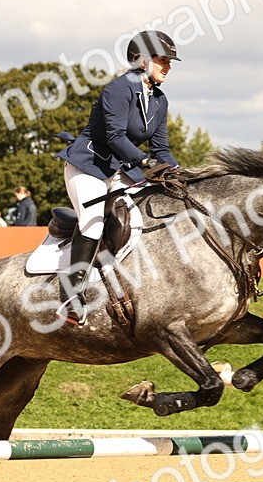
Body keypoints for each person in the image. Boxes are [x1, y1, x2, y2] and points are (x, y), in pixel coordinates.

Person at [54, 29, 182, 324]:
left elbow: (161, 147)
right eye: (163, 60)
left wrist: (179, 174)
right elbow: (114, 136)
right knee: (94, 220)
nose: (169, 66)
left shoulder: (159, 100)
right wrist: (146, 161)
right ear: (142, 61)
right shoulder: (119, 89)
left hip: (121, 168)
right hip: (89, 165)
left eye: (170, 62)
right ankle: (71, 294)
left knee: (155, 207)